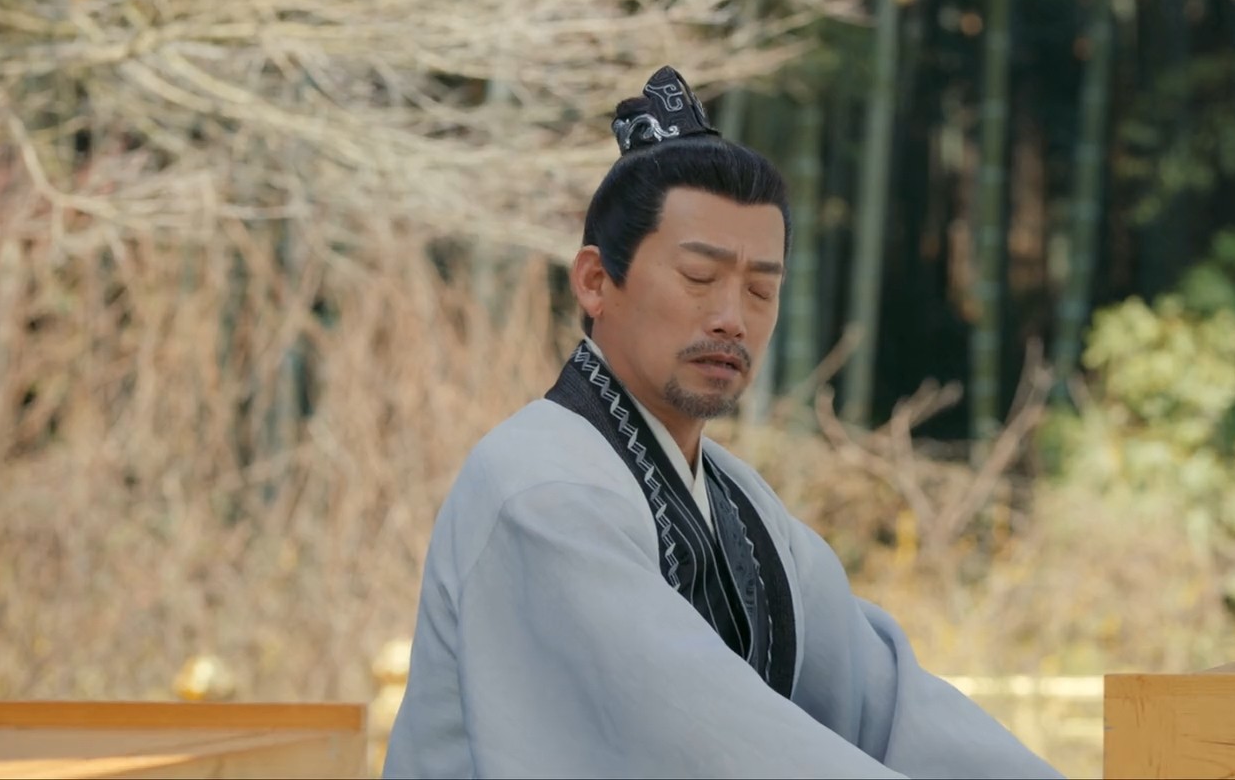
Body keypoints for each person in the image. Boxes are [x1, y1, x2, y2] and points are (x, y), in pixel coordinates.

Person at [383, 66, 1061, 779]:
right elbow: (712, 744)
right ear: (595, 281)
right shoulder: (540, 489)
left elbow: (888, 707)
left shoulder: (742, 503)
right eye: (699, 278)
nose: (732, 319)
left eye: (761, 289)